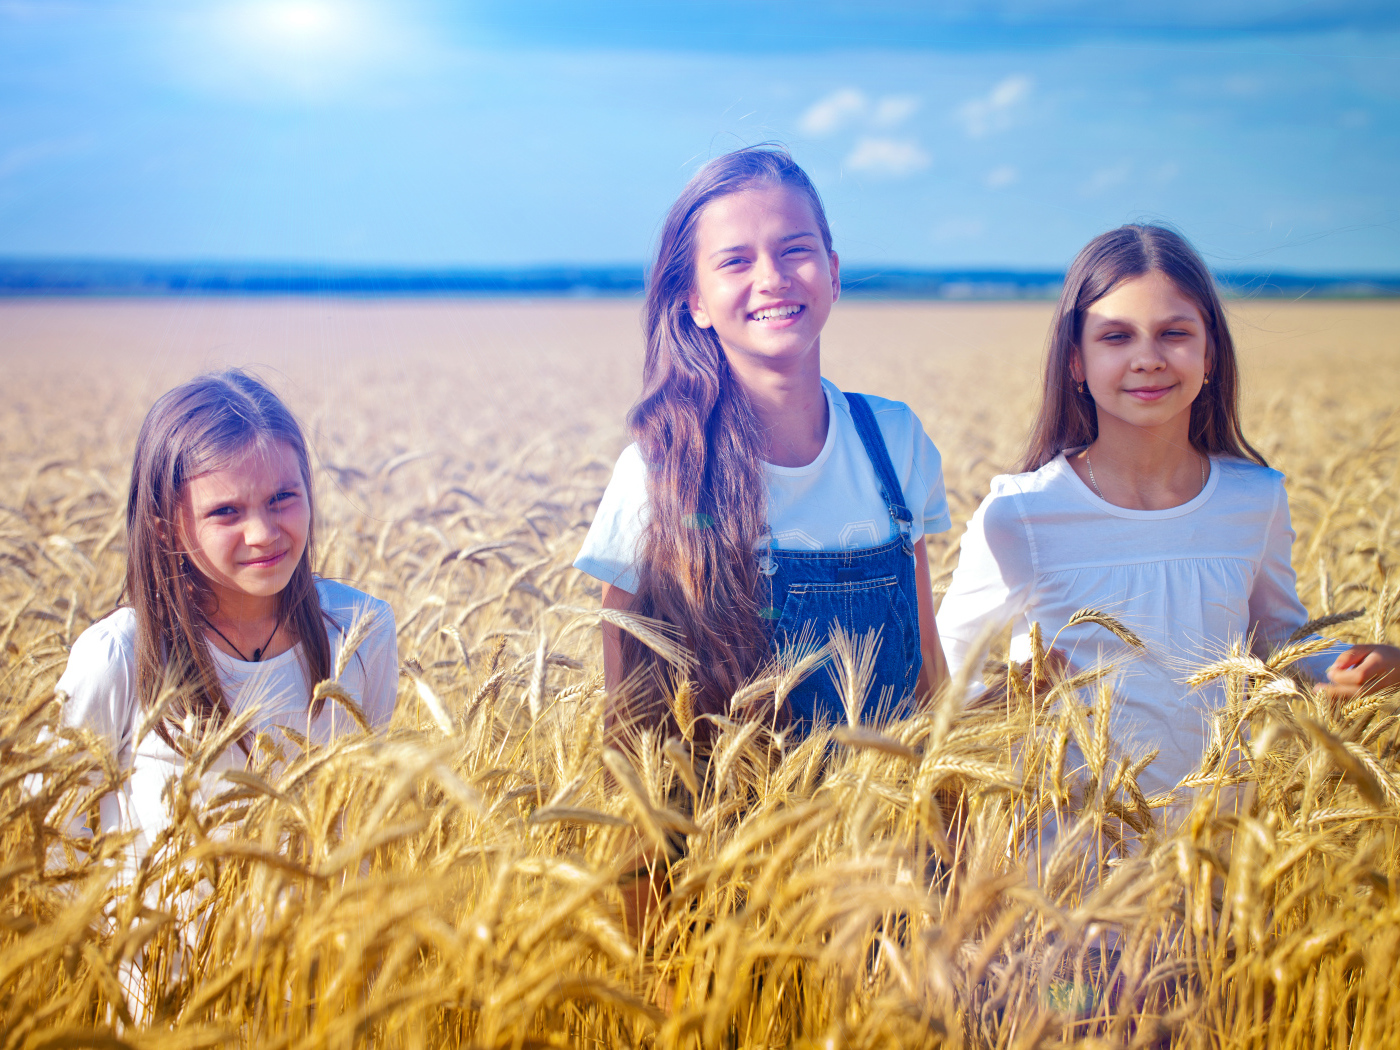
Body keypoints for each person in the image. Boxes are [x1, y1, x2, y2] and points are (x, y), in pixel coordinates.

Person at [935, 224, 1400, 799]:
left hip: (1216, 845)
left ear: (1210, 354)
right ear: (1075, 361)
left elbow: (1276, 644)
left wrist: (1351, 666)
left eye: (1174, 333)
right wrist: (1004, 699)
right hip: (1065, 854)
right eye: (1116, 337)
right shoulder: (1023, 515)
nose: (1148, 359)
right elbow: (947, 675)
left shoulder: (1254, 500)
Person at [574, 145, 951, 740]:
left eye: (794, 250)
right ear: (694, 301)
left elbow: (929, 671)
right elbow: (628, 723)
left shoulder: (895, 442)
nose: (772, 278)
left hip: (897, 827)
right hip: (734, 828)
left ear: (833, 270)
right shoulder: (659, 472)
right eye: (736, 262)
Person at [55, 369, 400, 859]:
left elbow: (367, 814)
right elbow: (50, 847)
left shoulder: (361, 631)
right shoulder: (118, 658)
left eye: (283, 498)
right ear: (164, 528)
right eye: (226, 512)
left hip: (327, 935)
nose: (262, 533)